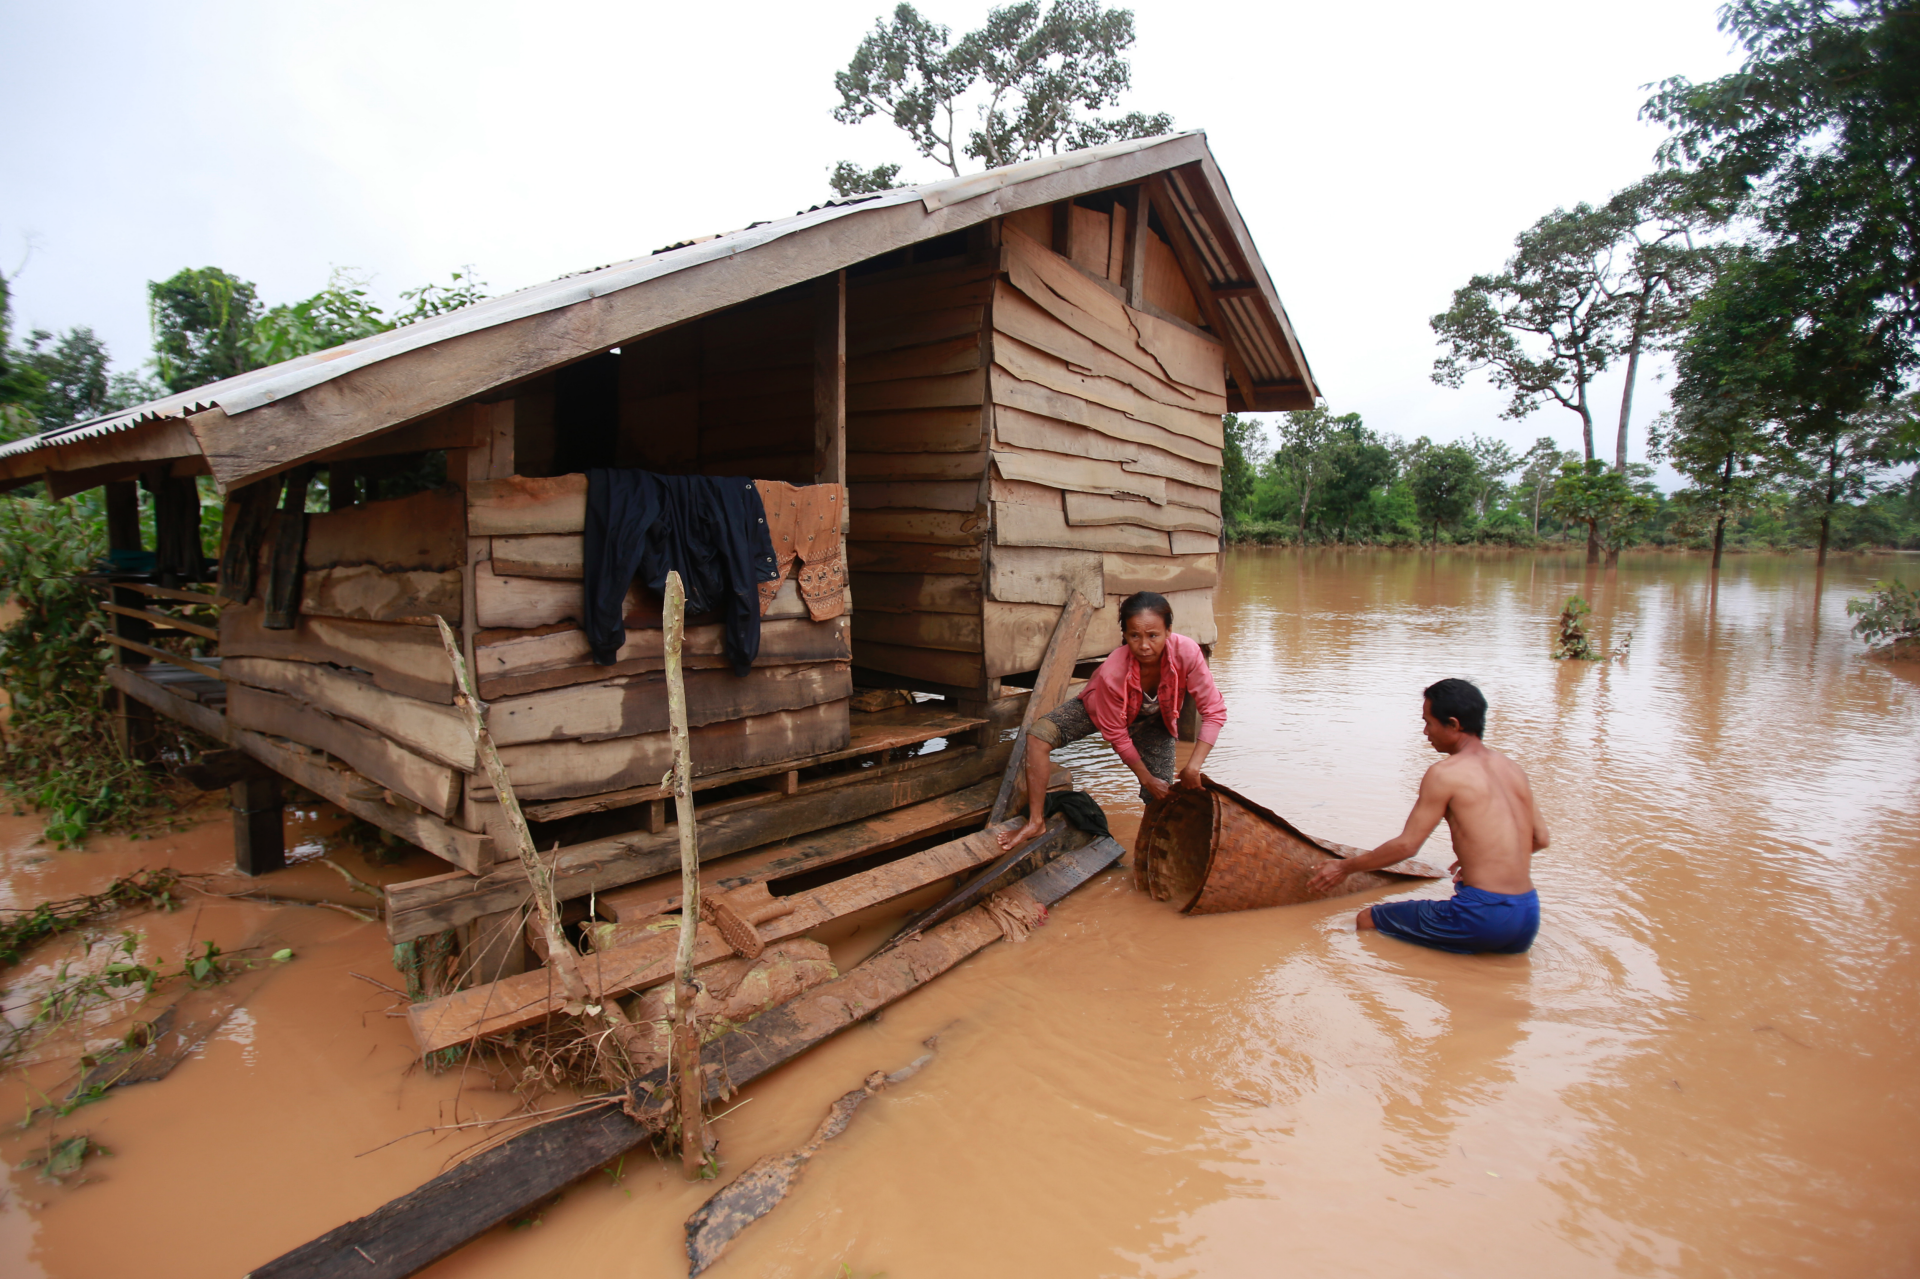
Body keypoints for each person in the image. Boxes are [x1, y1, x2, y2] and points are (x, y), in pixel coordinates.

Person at [1307, 678, 1548, 954]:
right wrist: (1480, 860)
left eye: (1429, 722)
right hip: (1527, 916)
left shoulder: (1445, 773)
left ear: (1454, 725)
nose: (1425, 731)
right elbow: (1540, 839)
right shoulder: (1513, 769)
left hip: (1482, 916)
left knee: (1367, 919)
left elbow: (1407, 846)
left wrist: (1344, 868)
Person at [997, 591, 1227, 851]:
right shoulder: (1113, 671)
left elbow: (1214, 710)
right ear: (1124, 636)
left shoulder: (1187, 653)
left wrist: (1192, 767)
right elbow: (1117, 734)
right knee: (1039, 735)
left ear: (1169, 631)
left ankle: (1157, 853)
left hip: (1155, 720)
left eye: (1153, 635)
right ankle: (1035, 822)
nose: (1144, 646)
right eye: (1134, 636)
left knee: (1162, 794)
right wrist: (1144, 777)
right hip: (1103, 709)